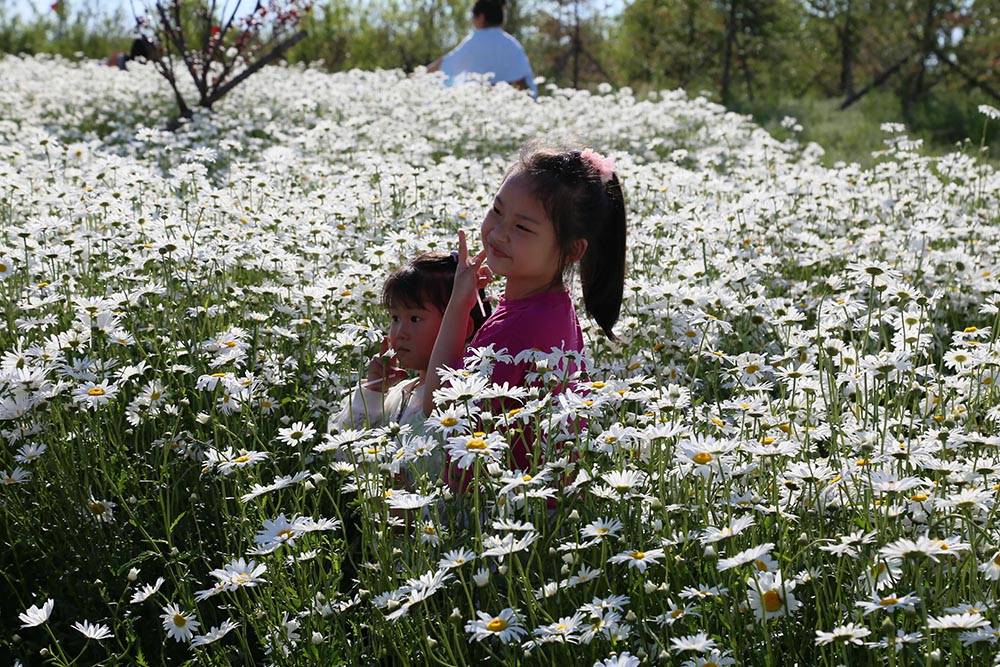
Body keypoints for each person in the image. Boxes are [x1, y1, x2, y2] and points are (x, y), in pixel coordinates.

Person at [422, 146, 628, 478]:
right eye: (497, 210)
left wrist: (459, 304)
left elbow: (436, 406)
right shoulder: (553, 307)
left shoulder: (520, 326)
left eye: (523, 228)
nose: (499, 232)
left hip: (489, 509)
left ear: (573, 249)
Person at [331, 253, 491, 440]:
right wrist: (373, 390)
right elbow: (347, 452)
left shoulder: (459, 397)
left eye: (415, 318)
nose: (399, 333)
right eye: (395, 318)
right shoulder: (399, 393)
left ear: (463, 326)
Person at [427, 0, 537, 97]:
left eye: (473, 17)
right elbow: (524, 82)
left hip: (478, 104)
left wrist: (418, 77)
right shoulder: (513, 44)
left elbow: (446, 64)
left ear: (481, 17)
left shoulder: (475, 41)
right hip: (509, 110)